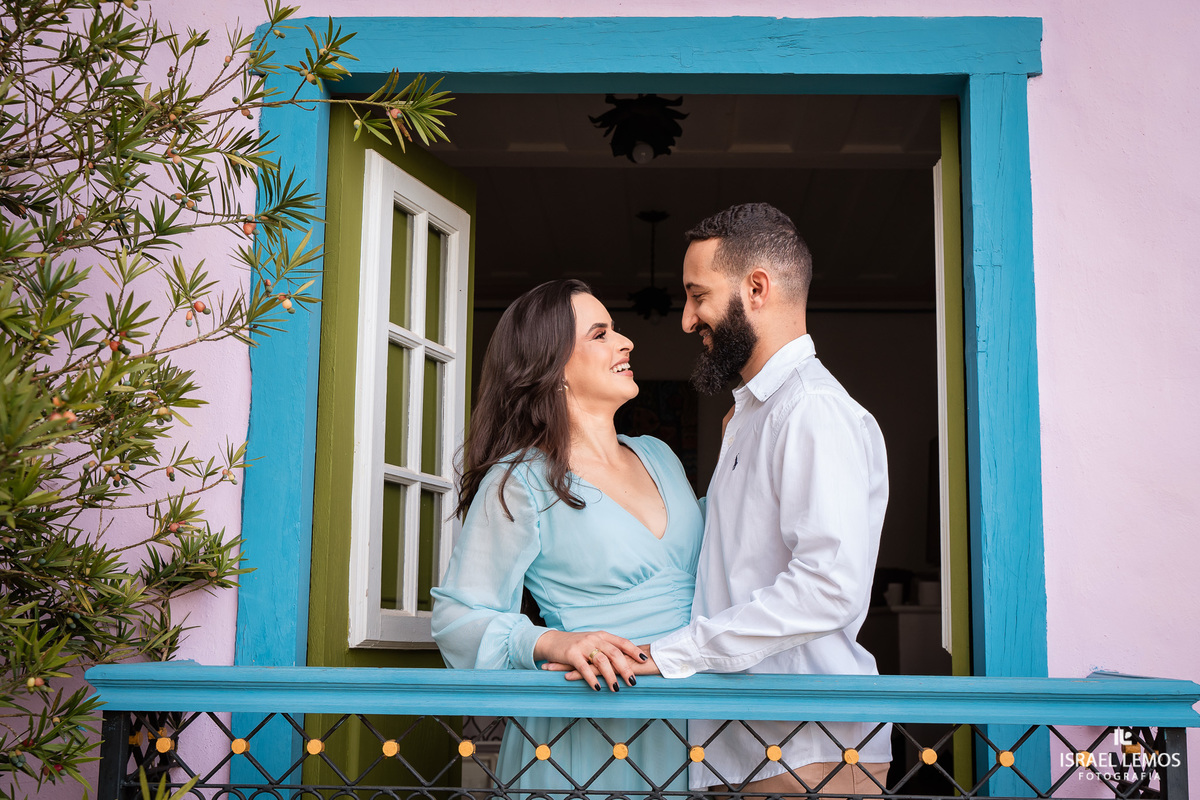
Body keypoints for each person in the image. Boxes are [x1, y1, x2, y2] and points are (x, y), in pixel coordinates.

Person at [557, 203, 890, 794]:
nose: (686, 320)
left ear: (755, 288)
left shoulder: (809, 411)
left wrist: (672, 652)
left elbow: (827, 587)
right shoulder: (753, 418)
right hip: (751, 751)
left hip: (806, 753)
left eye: (697, 296)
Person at [431, 279, 704, 795]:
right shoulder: (519, 480)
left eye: (615, 330)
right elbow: (457, 618)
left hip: (695, 721)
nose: (626, 342)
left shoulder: (660, 455)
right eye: (601, 334)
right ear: (553, 369)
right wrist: (550, 641)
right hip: (588, 725)